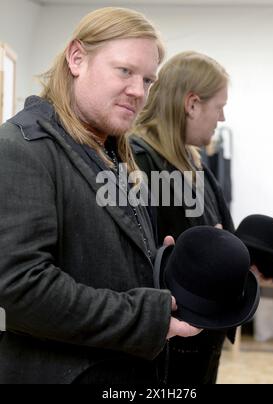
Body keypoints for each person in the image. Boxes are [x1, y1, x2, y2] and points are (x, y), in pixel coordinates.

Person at [0, 8, 201, 385]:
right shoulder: (22, 148)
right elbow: (23, 288)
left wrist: (160, 265)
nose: (139, 92)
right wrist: (149, 316)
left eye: (148, 80)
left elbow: (97, 257)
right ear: (77, 58)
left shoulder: (107, 149)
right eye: (125, 71)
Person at [131, 51, 235, 385]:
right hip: (167, 344)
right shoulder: (137, 162)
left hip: (201, 337)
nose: (221, 118)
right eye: (219, 106)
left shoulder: (194, 164)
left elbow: (221, 232)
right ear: (191, 104)